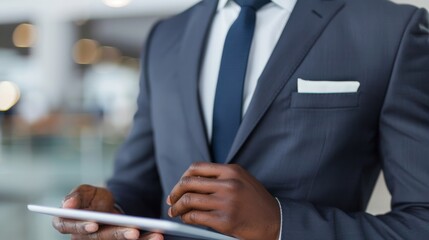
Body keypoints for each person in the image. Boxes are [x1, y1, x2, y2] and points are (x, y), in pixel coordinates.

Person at [53, 0, 429, 239]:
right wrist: (107, 216)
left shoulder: (390, 31)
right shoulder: (167, 37)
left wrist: (279, 225)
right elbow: (137, 188)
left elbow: (422, 221)